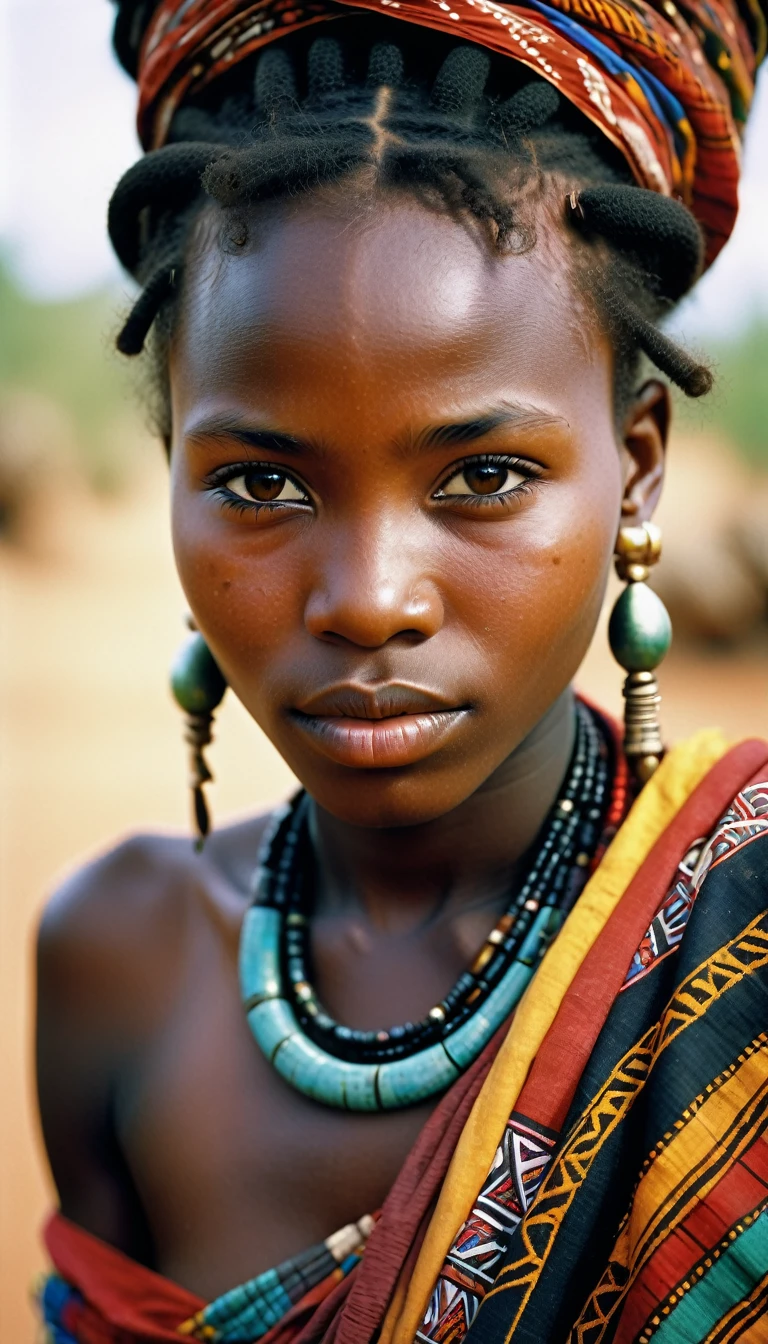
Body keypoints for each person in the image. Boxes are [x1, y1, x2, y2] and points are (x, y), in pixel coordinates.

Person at [35, 1, 768, 1341]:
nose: (369, 601)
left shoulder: (754, 950)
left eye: (482, 477)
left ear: (640, 463)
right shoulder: (113, 962)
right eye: (259, 482)